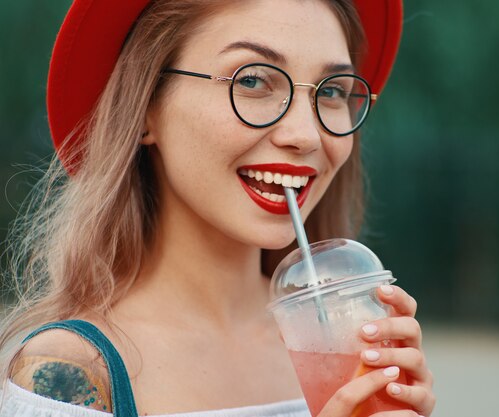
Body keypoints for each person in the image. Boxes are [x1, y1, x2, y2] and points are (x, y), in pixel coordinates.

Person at [0, 0, 436, 416]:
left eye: (333, 91)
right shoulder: (70, 375)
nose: (305, 134)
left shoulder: (344, 344)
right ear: (146, 106)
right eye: (252, 80)